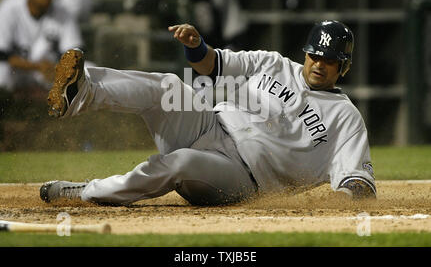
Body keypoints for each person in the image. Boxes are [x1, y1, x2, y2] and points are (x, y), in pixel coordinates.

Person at [40, 20, 376, 206]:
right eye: (315, 55)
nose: (319, 64)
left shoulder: (345, 118)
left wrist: (339, 203)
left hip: (240, 178)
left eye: (329, 60)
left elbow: (359, 181)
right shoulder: (272, 64)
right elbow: (212, 65)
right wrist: (195, 46)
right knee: (168, 86)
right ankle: (81, 91)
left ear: (343, 66)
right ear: (305, 53)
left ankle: (85, 192)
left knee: (181, 162)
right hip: (209, 124)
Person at [0, 0, 83, 93]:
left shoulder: (63, 12)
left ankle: (60, 109)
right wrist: (37, 66)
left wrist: (57, 69)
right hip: (18, 71)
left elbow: (74, 53)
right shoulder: (9, 9)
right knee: (2, 71)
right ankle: (6, 106)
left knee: (86, 69)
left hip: (48, 72)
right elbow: (2, 55)